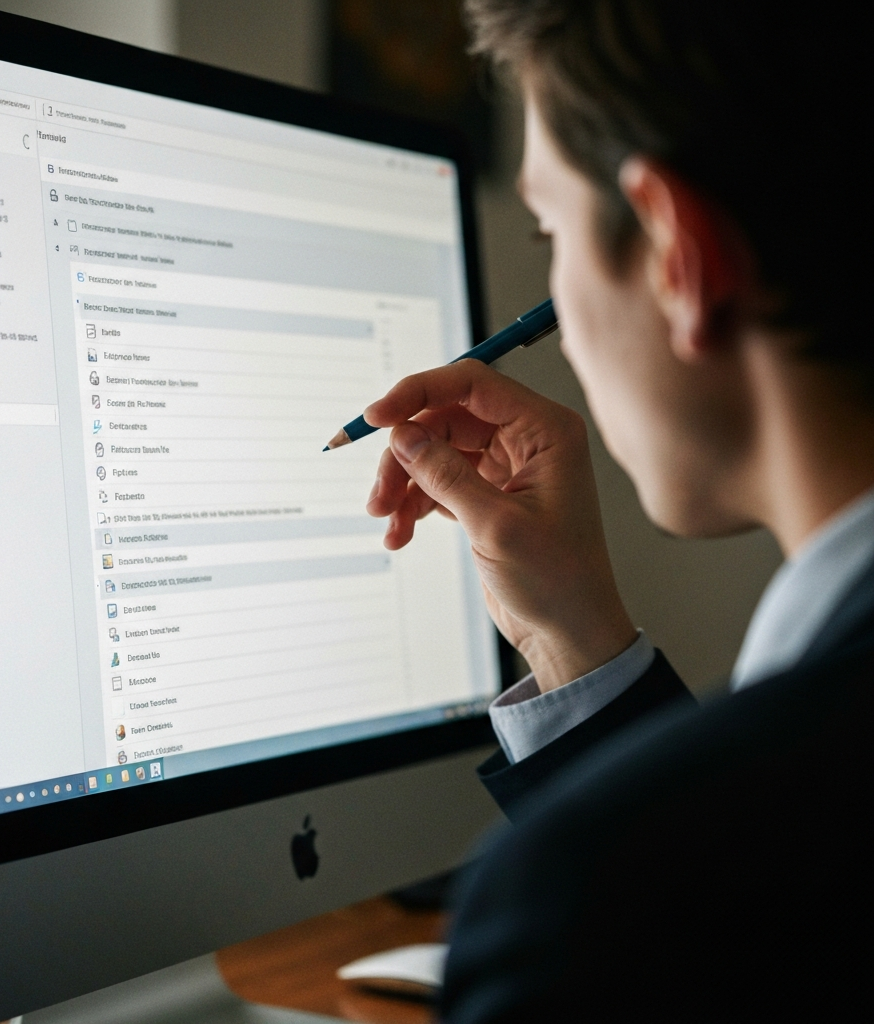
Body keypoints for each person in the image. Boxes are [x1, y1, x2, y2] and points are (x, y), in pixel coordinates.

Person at [362, 0, 871, 1017]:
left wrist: (583, 878)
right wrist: (569, 636)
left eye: (549, 230)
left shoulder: (582, 907)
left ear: (678, 254)